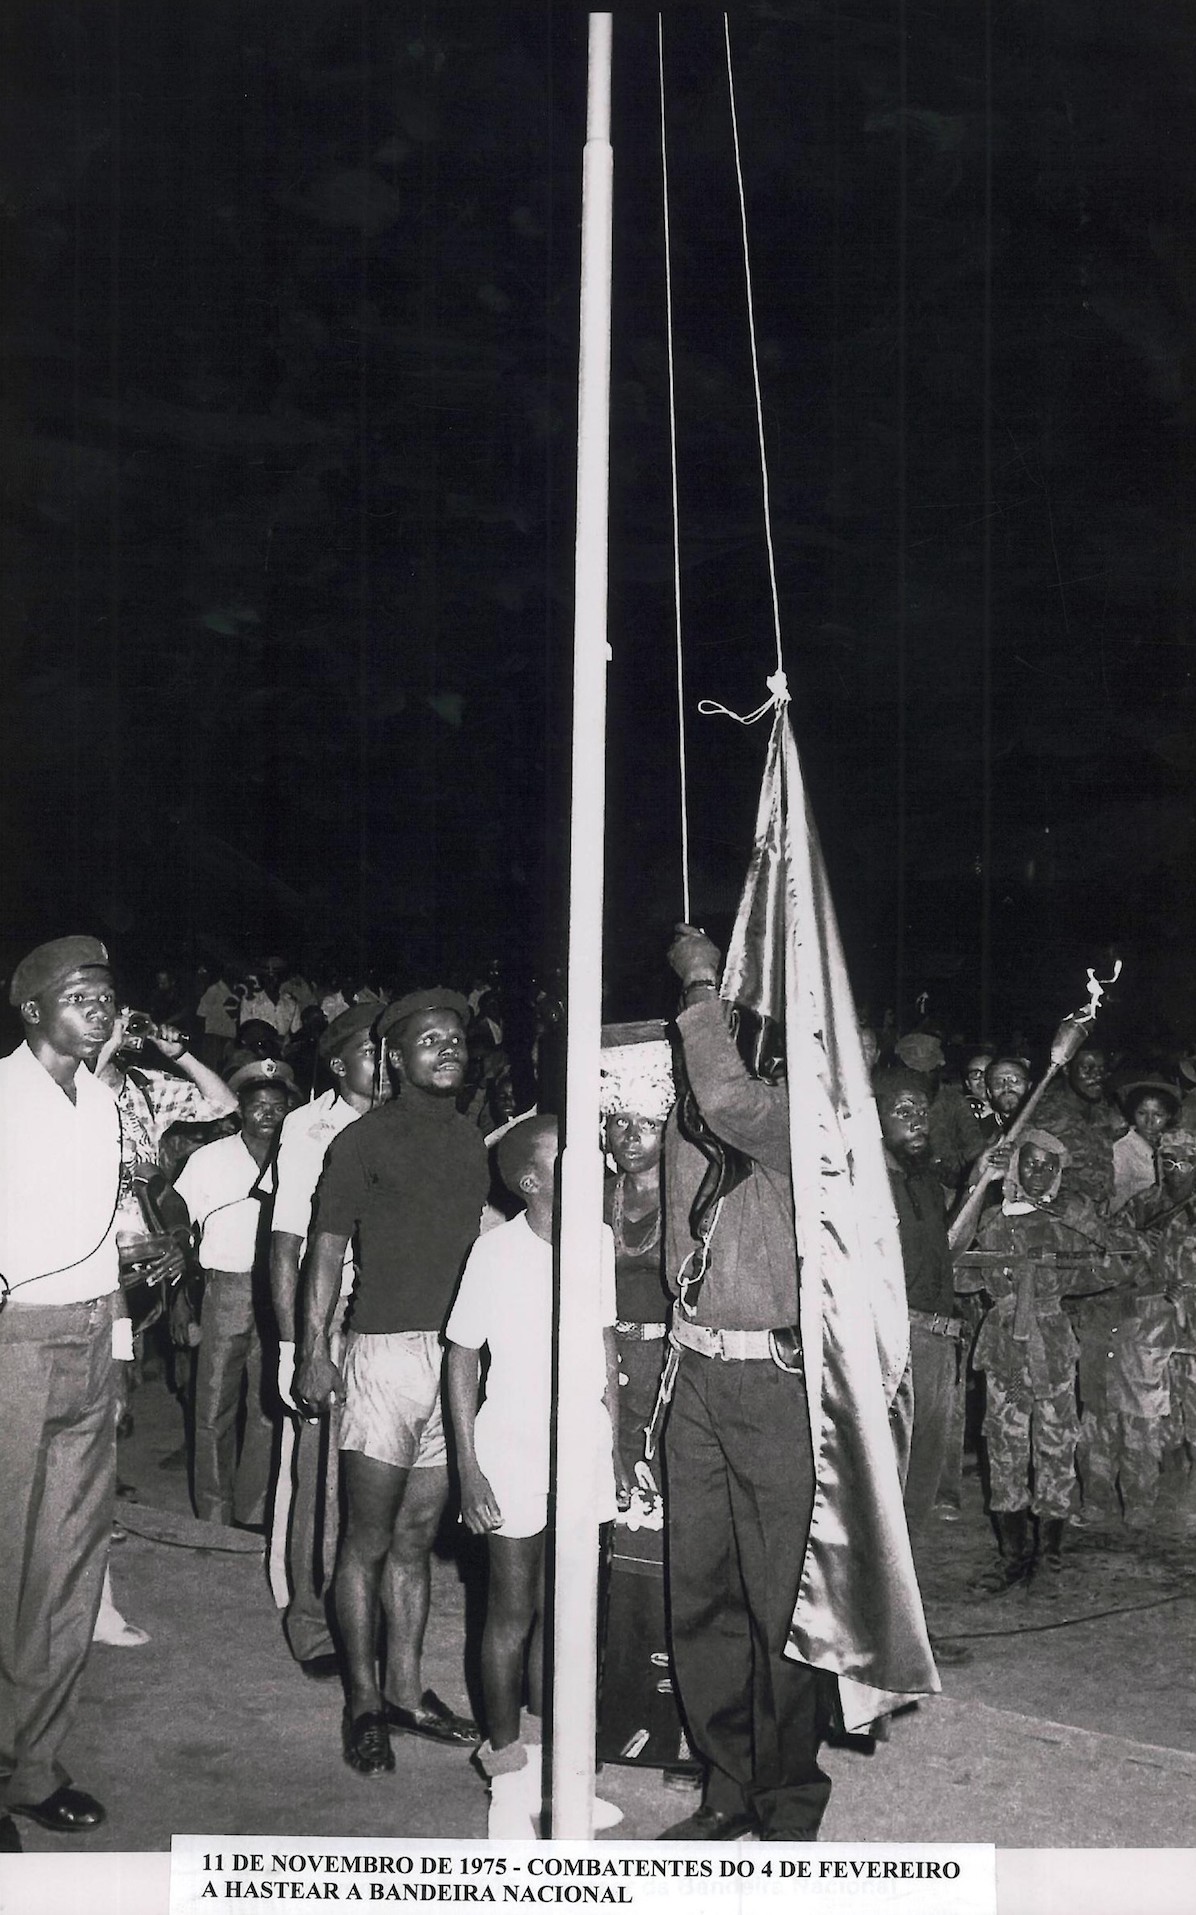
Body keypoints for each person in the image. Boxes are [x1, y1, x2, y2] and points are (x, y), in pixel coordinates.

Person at [0, 936, 181, 1848]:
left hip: (87, 1334)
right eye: (79, 995)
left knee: (68, 1563)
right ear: (31, 1008)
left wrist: (116, 1359)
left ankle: (32, 1765)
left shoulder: (108, 1103)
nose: (101, 1008)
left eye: (108, 994)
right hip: (12, 1340)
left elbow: (111, 1237)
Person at [656, 927, 835, 1843]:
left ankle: (787, 1797)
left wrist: (695, 974)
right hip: (695, 1377)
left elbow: (729, 1096)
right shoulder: (688, 1127)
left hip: (773, 1383)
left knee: (777, 1602)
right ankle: (725, 1782)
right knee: (701, 1594)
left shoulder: (795, 1120)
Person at [297, 988, 488, 1778]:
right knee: (367, 1540)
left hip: (452, 1365)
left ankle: (408, 1691)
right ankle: (364, 1701)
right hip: (380, 1357)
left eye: (457, 1038)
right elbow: (325, 1247)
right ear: (397, 1057)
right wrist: (315, 1346)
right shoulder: (361, 1139)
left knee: (415, 1538)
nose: (449, 1049)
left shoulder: (475, 1142)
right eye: (430, 1039)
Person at [445, 1116, 621, 1837]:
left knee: (573, 1612)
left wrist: (613, 1440)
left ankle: (556, 1764)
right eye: (572, 1162)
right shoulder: (496, 1251)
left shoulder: (599, 1242)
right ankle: (507, 1768)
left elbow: (605, 1342)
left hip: (581, 1444)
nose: (596, 1169)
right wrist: (468, 1468)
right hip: (512, 1446)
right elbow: (460, 1357)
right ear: (530, 1181)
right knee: (511, 1611)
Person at [955, 1130, 1126, 1587]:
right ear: (1014, 1167)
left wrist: (1076, 1225)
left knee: (1056, 1444)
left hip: (1050, 1347)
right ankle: (1013, 1556)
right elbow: (957, 1274)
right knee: (1005, 1447)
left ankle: (1049, 1554)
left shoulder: (1066, 1217)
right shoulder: (992, 1218)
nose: (1039, 1173)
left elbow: (1111, 1266)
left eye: (1050, 1166)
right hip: (1006, 1351)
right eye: (1030, 1163)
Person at [269, 1005, 382, 1675]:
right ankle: (309, 1618)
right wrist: (294, 1345)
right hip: (329, 1310)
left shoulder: (406, 1124)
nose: (387, 1063)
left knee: (375, 1471)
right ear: (340, 1063)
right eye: (373, 1051)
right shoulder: (309, 1127)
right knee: (318, 1477)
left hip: (391, 1309)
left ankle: (361, 1609)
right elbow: (286, 1243)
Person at [872, 1068, 970, 1666]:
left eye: (923, 1111)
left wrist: (979, 1184)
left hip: (938, 1343)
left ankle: (902, 1630)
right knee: (885, 1491)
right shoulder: (866, 1186)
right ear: (874, 1118)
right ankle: (876, 1629)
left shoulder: (924, 1182)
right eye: (903, 1110)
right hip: (896, 1341)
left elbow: (947, 1251)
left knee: (918, 1494)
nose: (918, 1120)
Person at [175, 1058, 297, 1526]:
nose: (267, 1114)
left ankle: (255, 1510)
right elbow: (181, 1231)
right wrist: (182, 1299)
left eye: (276, 1106)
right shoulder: (208, 1159)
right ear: (239, 1111)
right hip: (225, 1289)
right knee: (213, 1404)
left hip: (278, 1290)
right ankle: (214, 1512)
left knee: (270, 1403)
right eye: (257, 1106)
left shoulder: (300, 1159)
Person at [1034, 1044, 1124, 1206]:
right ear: (1067, 1070)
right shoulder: (1042, 1114)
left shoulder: (1102, 1109)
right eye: (1087, 1069)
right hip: (1060, 1214)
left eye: (1101, 1069)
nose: (1097, 1075)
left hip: (1101, 1210)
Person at [1109, 1079, 1179, 1213]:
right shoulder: (1122, 1150)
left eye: (1158, 1115)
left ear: (1169, 1116)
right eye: (1142, 1113)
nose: (1149, 1121)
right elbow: (1112, 1202)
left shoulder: (1172, 1143)